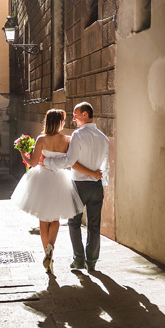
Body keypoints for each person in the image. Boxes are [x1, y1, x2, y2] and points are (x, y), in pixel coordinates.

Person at [11, 109, 101, 275]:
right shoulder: (67, 139)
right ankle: (52, 247)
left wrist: (23, 153)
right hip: (59, 179)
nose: (65, 123)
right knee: (55, 219)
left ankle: (47, 254)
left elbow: (32, 163)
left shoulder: (41, 139)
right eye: (63, 120)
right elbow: (69, 162)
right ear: (59, 122)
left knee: (43, 220)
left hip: (42, 179)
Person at [42, 102, 109, 271]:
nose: (74, 119)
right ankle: (92, 262)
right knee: (94, 225)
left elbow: (70, 161)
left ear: (85, 114)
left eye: (76, 115)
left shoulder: (78, 135)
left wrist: (47, 162)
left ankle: (79, 260)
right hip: (96, 187)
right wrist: (102, 183)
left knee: (74, 223)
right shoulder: (104, 137)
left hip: (78, 185)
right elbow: (106, 166)